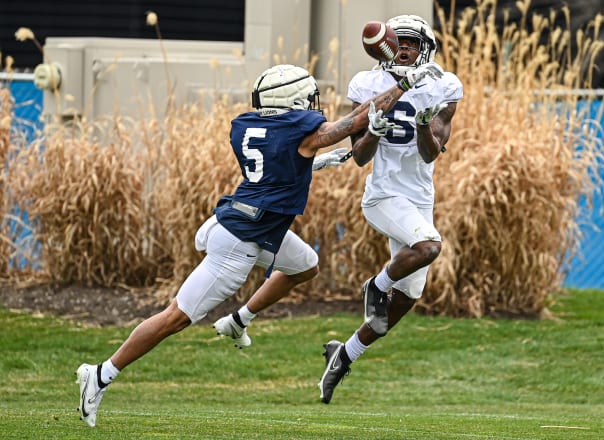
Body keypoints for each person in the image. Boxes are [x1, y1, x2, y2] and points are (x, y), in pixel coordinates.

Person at [76, 62, 442, 427]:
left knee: (304, 264)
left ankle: (239, 319)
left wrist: (314, 163)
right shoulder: (301, 129)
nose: (314, 105)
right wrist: (403, 84)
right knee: (176, 317)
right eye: (308, 98)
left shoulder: (246, 125)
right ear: (294, 100)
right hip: (242, 240)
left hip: (251, 222)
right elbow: (354, 122)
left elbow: (275, 166)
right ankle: (101, 373)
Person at [317, 14, 464, 404]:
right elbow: (360, 157)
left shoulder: (443, 86)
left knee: (406, 300)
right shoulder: (368, 84)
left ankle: (343, 355)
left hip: (418, 199)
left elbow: (432, 153)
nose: (404, 48)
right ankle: (374, 286)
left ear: (426, 49)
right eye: (400, 41)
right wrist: (375, 132)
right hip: (382, 197)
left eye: (413, 43)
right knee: (430, 247)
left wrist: (422, 124)